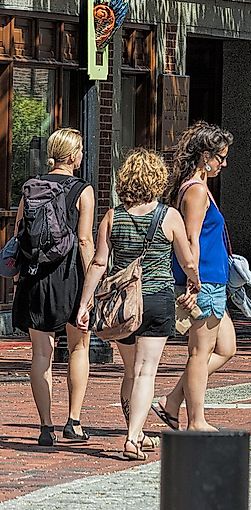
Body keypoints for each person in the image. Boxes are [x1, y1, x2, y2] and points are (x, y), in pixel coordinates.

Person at [76, 149, 200, 460]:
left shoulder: (112, 216)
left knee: (130, 371)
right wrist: (194, 281)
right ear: (157, 179)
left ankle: (138, 430)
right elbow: (186, 260)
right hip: (157, 297)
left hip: (122, 305)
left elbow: (98, 263)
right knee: (147, 372)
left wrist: (84, 303)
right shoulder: (169, 216)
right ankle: (132, 437)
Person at [12, 128, 96, 447]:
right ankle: (73, 422)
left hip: (35, 277)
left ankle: (45, 427)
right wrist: (91, 286)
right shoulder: (81, 189)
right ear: (74, 156)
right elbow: (85, 240)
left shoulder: (31, 187)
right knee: (78, 348)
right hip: (69, 276)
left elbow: (20, 232)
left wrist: (19, 275)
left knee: (41, 354)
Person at [153, 122, 237, 432]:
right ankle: (195, 420)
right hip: (205, 280)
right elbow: (191, 238)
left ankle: (172, 401)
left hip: (215, 279)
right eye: (221, 157)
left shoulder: (198, 187)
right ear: (205, 156)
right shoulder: (197, 190)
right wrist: (193, 278)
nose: (223, 164)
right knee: (199, 353)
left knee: (226, 348)